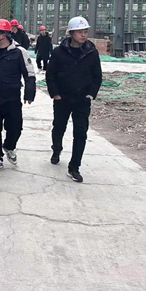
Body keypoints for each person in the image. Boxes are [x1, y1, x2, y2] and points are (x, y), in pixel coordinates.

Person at [46, 16, 103, 183]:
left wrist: (91, 94)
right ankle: (56, 149)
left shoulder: (91, 52)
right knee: (59, 127)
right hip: (62, 98)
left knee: (80, 133)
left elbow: (97, 76)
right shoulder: (59, 52)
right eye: (80, 32)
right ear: (71, 33)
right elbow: (51, 75)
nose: (83, 35)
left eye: (85, 32)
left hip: (82, 100)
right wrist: (55, 94)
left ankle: (74, 167)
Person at [0, 19, 36, 172]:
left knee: (15, 128)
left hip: (12, 98)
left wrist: (29, 93)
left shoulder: (19, 52)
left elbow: (29, 73)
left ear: (2, 35)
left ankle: (9, 146)